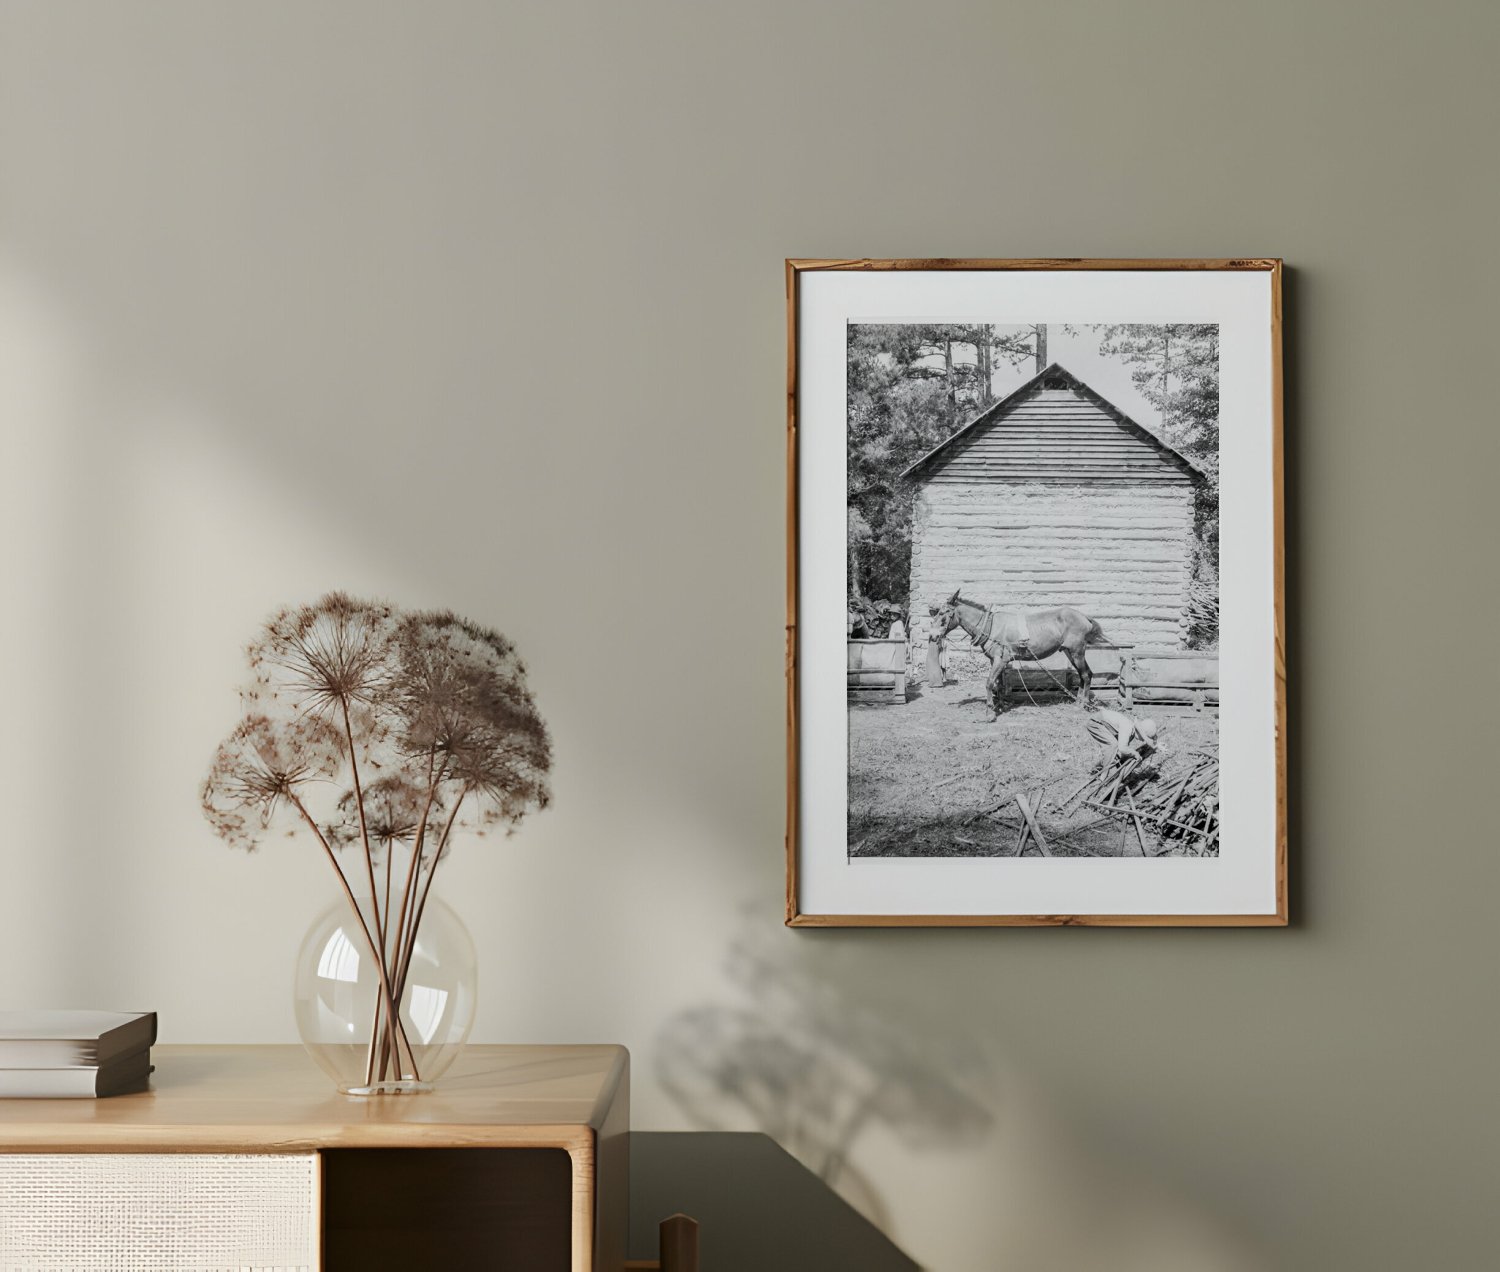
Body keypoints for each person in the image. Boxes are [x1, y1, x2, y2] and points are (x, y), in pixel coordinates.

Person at [1087, 707, 1159, 762]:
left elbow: (1123, 748)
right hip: (1096, 722)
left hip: (1103, 722)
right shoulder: (1128, 728)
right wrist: (1135, 754)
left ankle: (1107, 767)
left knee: (1115, 749)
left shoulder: (1131, 731)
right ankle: (1105, 774)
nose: (1142, 740)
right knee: (1112, 745)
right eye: (1144, 738)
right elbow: (1122, 748)